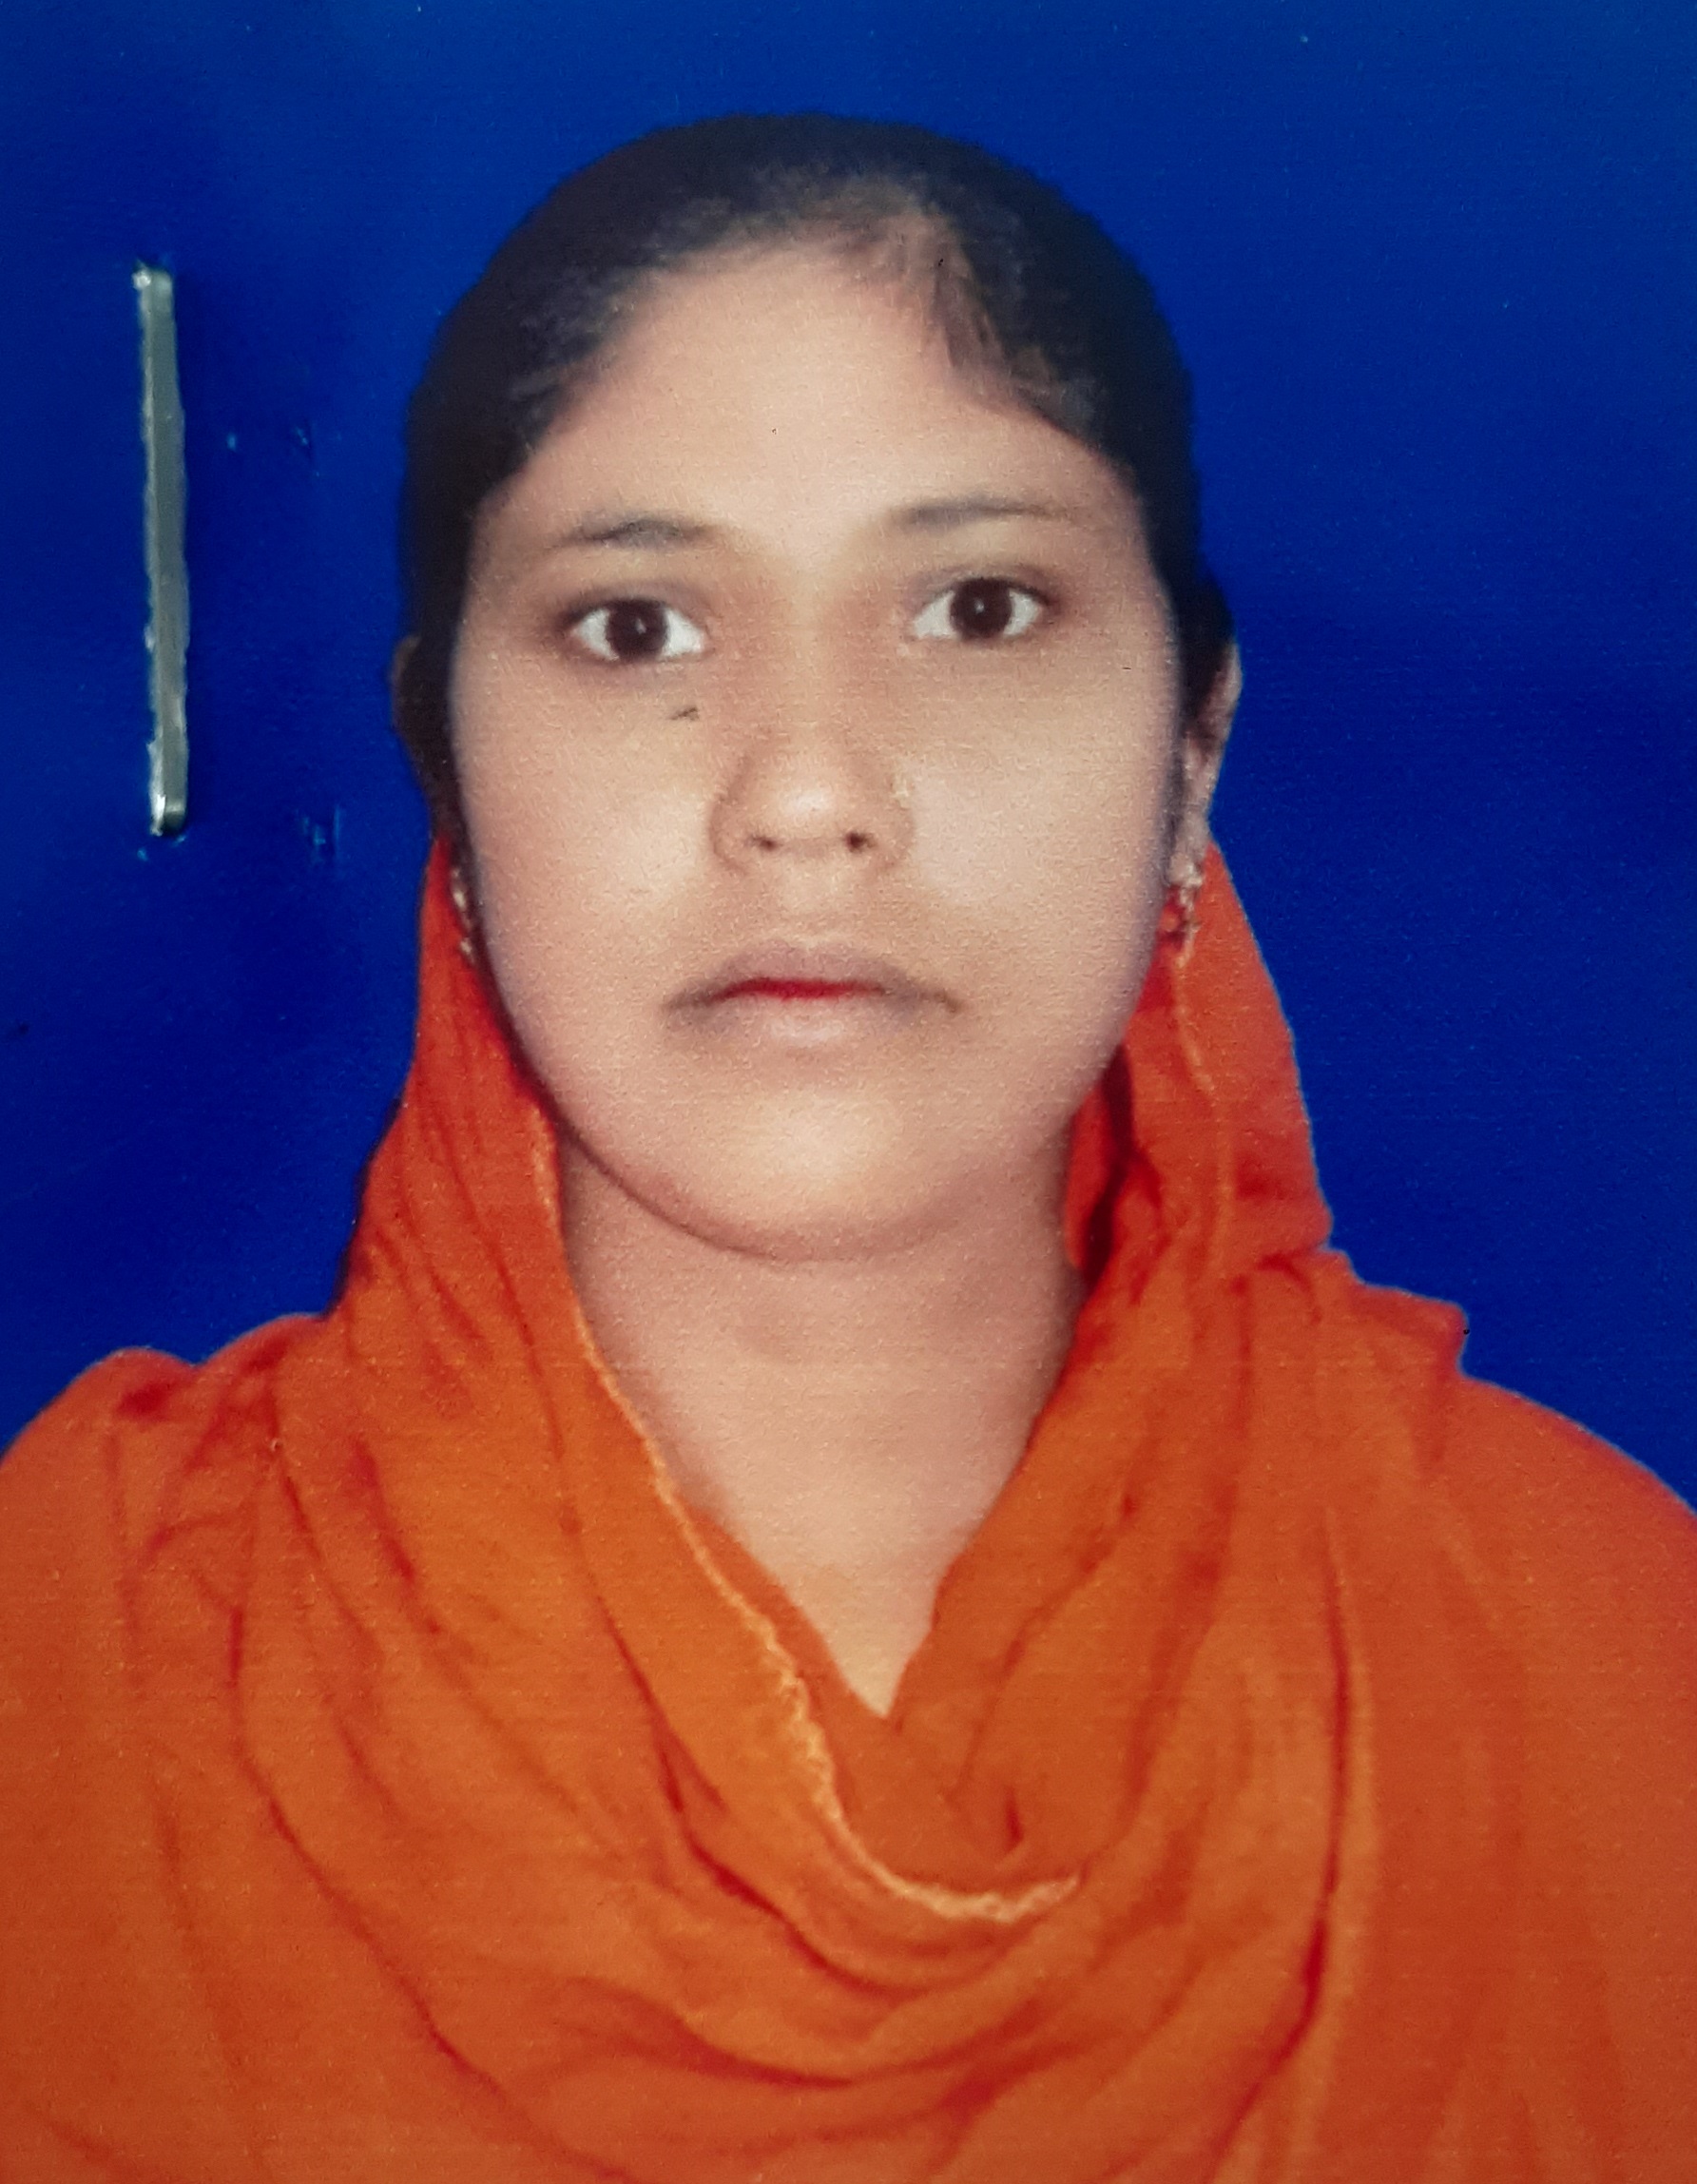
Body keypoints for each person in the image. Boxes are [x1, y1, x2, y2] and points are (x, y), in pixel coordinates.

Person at [0, 114, 1691, 2183]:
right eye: (637, 628)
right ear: (444, 756)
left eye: (976, 606)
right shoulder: (76, 1663)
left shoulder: (1597, 1664)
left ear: (1192, 746)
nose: (805, 793)